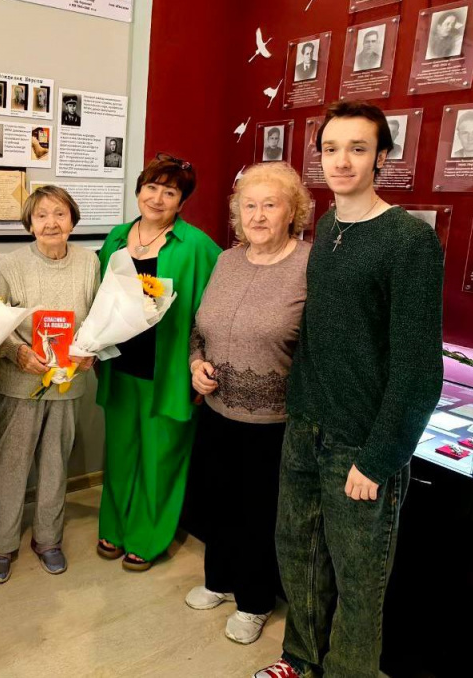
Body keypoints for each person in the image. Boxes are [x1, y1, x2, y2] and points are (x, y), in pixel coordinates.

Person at [254, 100, 443, 678]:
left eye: (357, 149)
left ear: (381, 157)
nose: (341, 161)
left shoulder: (409, 241)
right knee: (300, 555)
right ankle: (300, 658)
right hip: (306, 427)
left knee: (359, 582)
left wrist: (379, 457)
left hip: (360, 443)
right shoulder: (329, 228)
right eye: (331, 149)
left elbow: (419, 370)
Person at [184, 162, 311, 646]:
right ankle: (218, 580)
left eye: (269, 205)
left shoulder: (309, 266)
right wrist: (196, 364)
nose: (257, 216)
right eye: (249, 206)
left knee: (259, 513)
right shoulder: (227, 261)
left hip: (274, 422)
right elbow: (200, 329)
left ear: (292, 212)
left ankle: (255, 601)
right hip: (218, 411)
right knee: (218, 500)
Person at [96, 154, 221, 571]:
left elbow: (215, 311)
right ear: (139, 190)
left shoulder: (197, 246)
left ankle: (148, 537)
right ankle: (114, 526)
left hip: (167, 371)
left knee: (161, 458)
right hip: (119, 365)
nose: (157, 198)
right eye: (151, 187)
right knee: (120, 453)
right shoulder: (116, 238)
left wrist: (203, 365)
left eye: (170, 192)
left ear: (181, 202)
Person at [0, 186, 100, 584]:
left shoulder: (89, 262)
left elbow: (98, 319)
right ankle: (1, 544)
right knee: (12, 466)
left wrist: (90, 351)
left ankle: (49, 539)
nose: (51, 223)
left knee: (56, 464)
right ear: (30, 223)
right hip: (19, 382)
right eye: (41, 215)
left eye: (60, 214)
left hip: (67, 385)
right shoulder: (11, 265)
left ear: (72, 220)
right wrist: (17, 353)